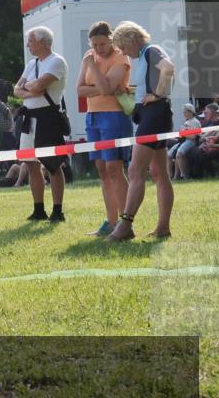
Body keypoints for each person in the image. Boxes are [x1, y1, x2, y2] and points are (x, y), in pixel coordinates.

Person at [107, 22, 176, 242]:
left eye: (123, 47)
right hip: (155, 115)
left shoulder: (151, 51)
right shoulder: (148, 53)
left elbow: (169, 68)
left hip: (154, 114)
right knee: (159, 173)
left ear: (131, 39)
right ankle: (163, 227)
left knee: (136, 170)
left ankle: (125, 225)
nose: (124, 53)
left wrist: (157, 94)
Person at [76, 21, 133, 235]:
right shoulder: (88, 56)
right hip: (93, 116)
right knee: (102, 169)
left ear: (111, 39)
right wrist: (98, 87)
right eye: (94, 44)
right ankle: (110, 222)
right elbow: (79, 90)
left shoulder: (120, 57)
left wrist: (93, 69)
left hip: (114, 116)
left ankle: (124, 221)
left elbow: (108, 90)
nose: (98, 49)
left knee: (114, 168)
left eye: (102, 44)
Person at [13, 26, 69, 224]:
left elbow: (37, 86)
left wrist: (29, 87)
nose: (28, 44)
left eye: (31, 41)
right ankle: (38, 209)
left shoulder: (57, 62)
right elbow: (16, 90)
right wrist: (31, 89)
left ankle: (57, 210)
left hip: (48, 118)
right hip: (29, 118)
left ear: (43, 42)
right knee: (30, 163)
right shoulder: (31, 64)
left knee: (53, 165)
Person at [168, 103, 201, 180]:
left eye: (185, 112)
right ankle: (170, 176)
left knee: (179, 153)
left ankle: (185, 176)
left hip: (191, 141)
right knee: (168, 155)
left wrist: (183, 134)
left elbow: (193, 137)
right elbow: (183, 134)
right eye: (183, 112)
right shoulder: (187, 121)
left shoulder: (195, 122)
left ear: (191, 112)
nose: (184, 114)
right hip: (184, 141)